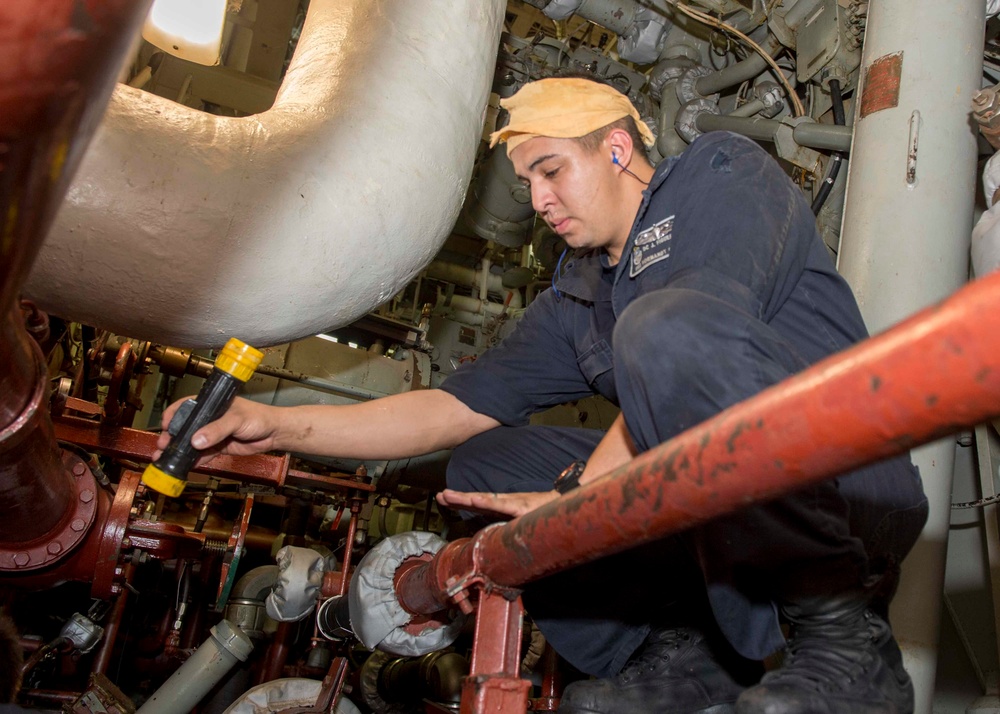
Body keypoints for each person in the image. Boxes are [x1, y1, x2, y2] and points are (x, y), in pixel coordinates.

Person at [157, 76, 928, 714]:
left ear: (618, 148)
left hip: (846, 489)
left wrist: (574, 496)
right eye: (526, 180)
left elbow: (686, 345)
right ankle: (684, 657)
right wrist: (271, 424)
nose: (538, 197)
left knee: (659, 333)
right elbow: (446, 409)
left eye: (551, 169)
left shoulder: (720, 178)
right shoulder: (581, 295)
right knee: (484, 467)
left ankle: (848, 644)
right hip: (716, 518)